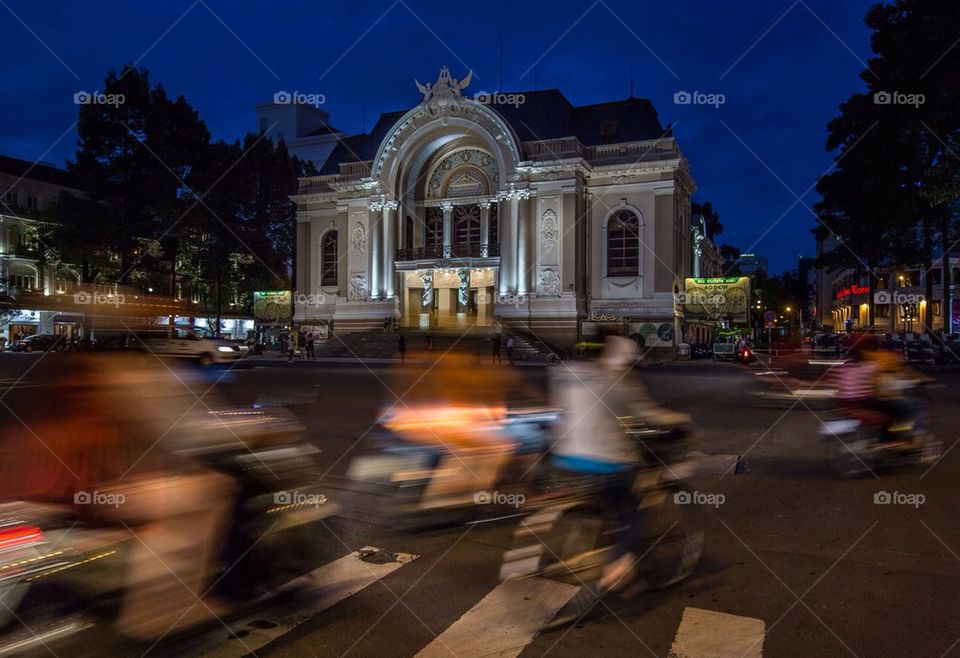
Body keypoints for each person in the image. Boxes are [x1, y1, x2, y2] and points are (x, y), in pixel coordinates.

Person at [0, 353, 235, 641]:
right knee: (209, 490)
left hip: (62, 495)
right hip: (78, 498)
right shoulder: (93, 403)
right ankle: (161, 610)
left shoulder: (50, 400)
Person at [547, 336, 690, 623]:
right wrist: (679, 420)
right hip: (606, 462)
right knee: (631, 509)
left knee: (603, 499)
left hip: (566, 457)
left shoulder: (576, 374)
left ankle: (592, 534)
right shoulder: (622, 380)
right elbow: (647, 414)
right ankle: (619, 565)